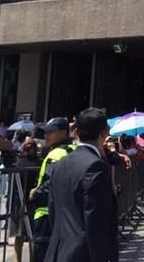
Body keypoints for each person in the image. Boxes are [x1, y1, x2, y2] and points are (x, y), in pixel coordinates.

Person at [45, 107, 118, 262]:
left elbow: (52, 210)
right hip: (82, 254)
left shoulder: (60, 165)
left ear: (76, 131)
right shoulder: (96, 167)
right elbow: (95, 221)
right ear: (104, 133)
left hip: (57, 251)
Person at [30, 117, 75, 262]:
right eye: (45, 132)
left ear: (63, 133)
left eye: (50, 132)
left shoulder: (56, 154)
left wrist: (36, 193)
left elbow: (52, 184)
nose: (46, 135)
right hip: (68, 216)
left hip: (46, 216)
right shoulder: (74, 150)